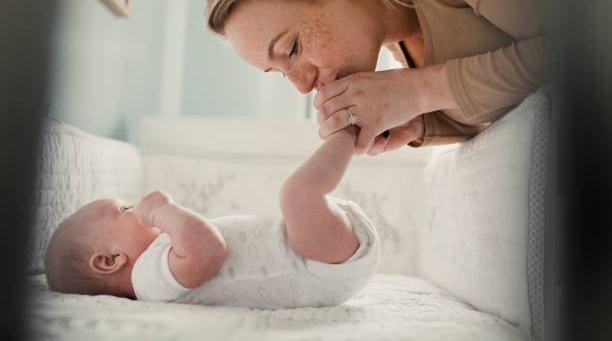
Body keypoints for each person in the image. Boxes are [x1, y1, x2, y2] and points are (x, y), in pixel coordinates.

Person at [206, 0, 553, 154]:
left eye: (292, 49)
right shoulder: (392, 39)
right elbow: (507, 93)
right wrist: (419, 123)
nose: (301, 86)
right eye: (280, 73)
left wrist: (420, 91)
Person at [44, 126, 380, 309]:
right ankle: (353, 127)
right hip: (317, 265)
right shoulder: (149, 280)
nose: (135, 208)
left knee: (299, 199)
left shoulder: (159, 264)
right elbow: (208, 249)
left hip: (313, 253)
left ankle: (357, 129)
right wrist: (162, 212)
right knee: (296, 194)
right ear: (110, 260)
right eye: (124, 210)